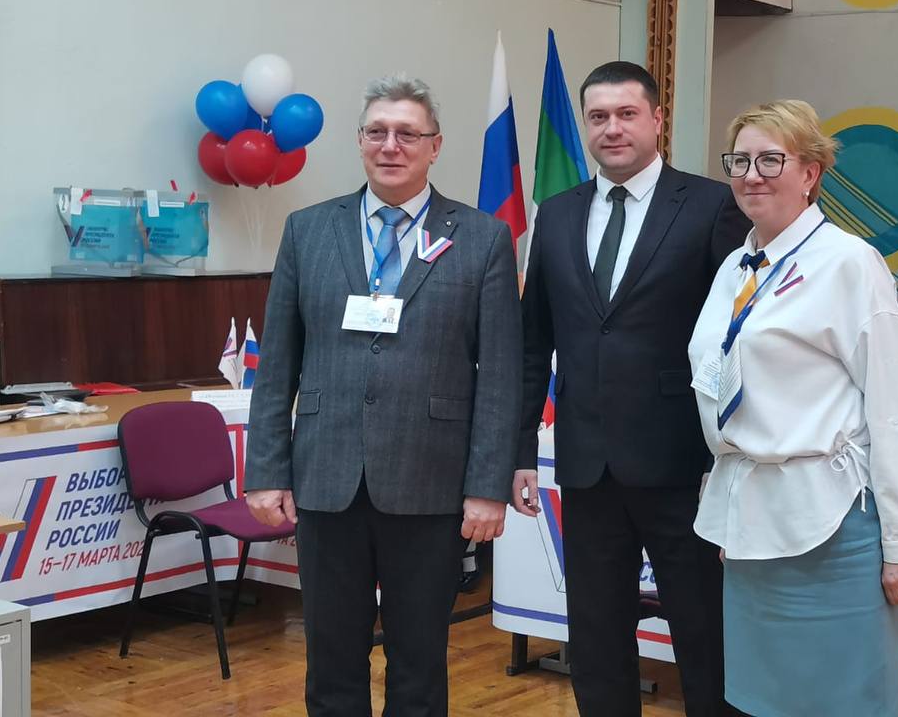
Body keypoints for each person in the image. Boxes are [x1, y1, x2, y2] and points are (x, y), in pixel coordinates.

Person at [244, 76, 522, 717]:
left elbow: (500, 375)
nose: (390, 145)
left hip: (430, 484)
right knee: (331, 660)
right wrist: (266, 471)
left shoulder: (482, 237)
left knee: (419, 663)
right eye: (377, 132)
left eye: (407, 134)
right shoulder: (308, 229)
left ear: (435, 146)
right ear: (360, 141)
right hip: (327, 480)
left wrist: (487, 487)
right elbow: (277, 365)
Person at [513, 61, 750, 717]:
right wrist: (520, 450)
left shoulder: (711, 206)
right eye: (598, 117)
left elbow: (739, 340)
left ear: (656, 120)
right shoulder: (556, 214)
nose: (611, 129)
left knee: (703, 631)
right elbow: (534, 343)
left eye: (626, 114)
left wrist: (729, 454)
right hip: (587, 465)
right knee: (595, 635)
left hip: (684, 467)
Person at [687, 100, 898, 717]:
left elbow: (895, 412)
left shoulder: (849, 262)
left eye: (771, 160)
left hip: (831, 526)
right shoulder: (734, 268)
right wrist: (731, 513)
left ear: (810, 173)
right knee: (761, 700)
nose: (752, 174)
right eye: (740, 161)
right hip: (752, 524)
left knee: (843, 700)